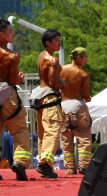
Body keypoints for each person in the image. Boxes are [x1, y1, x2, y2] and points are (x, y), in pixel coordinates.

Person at [0, 19, 31, 181]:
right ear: (2, 34)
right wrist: (21, 78)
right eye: (10, 32)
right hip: (7, 95)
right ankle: (20, 163)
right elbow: (12, 80)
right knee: (20, 131)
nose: (13, 34)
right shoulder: (13, 56)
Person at [30, 29, 67, 178]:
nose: (59, 42)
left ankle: (46, 167)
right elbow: (53, 83)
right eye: (57, 40)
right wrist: (63, 84)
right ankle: (45, 164)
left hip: (41, 98)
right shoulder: (52, 60)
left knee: (43, 134)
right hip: (50, 97)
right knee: (52, 131)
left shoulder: (41, 56)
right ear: (48, 43)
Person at [60, 47, 92, 175]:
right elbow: (86, 95)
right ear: (79, 57)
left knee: (66, 139)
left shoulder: (61, 70)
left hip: (63, 106)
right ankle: (84, 166)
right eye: (85, 58)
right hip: (78, 107)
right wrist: (88, 98)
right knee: (83, 137)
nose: (86, 60)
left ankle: (70, 168)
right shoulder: (83, 74)